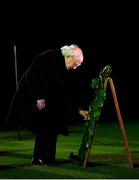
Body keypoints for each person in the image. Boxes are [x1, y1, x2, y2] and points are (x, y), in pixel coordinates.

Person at [6, 44, 89, 165]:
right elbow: (32, 76)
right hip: (32, 96)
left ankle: (49, 158)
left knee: (53, 125)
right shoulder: (49, 57)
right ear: (69, 57)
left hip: (49, 100)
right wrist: (39, 97)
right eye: (75, 64)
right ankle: (38, 157)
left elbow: (65, 93)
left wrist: (78, 110)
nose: (75, 68)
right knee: (43, 125)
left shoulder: (64, 68)